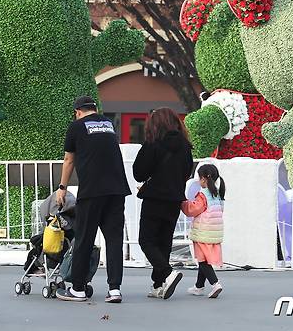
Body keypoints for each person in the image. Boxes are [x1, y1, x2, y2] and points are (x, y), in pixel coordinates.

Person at [55, 95, 130, 303]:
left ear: (77, 112)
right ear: (95, 109)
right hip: (116, 190)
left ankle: (78, 288)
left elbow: (69, 159)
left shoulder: (76, 126)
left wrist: (62, 187)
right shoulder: (108, 124)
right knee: (114, 240)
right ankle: (114, 289)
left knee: (85, 238)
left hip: (92, 191)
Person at [133, 107, 193, 300]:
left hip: (154, 198)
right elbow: (186, 173)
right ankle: (159, 285)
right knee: (164, 242)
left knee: (146, 240)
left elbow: (139, 172)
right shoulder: (185, 146)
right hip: (174, 200)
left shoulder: (153, 143)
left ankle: (168, 273)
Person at [180, 163, 225, 299]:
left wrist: (183, 202)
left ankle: (215, 283)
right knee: (203, 259)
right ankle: (199, 287)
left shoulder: (202, 195)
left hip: (202, 232)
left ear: (204, 179)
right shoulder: (217, 194)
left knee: (203, 262)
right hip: (213, 232)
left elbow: (193, 210)